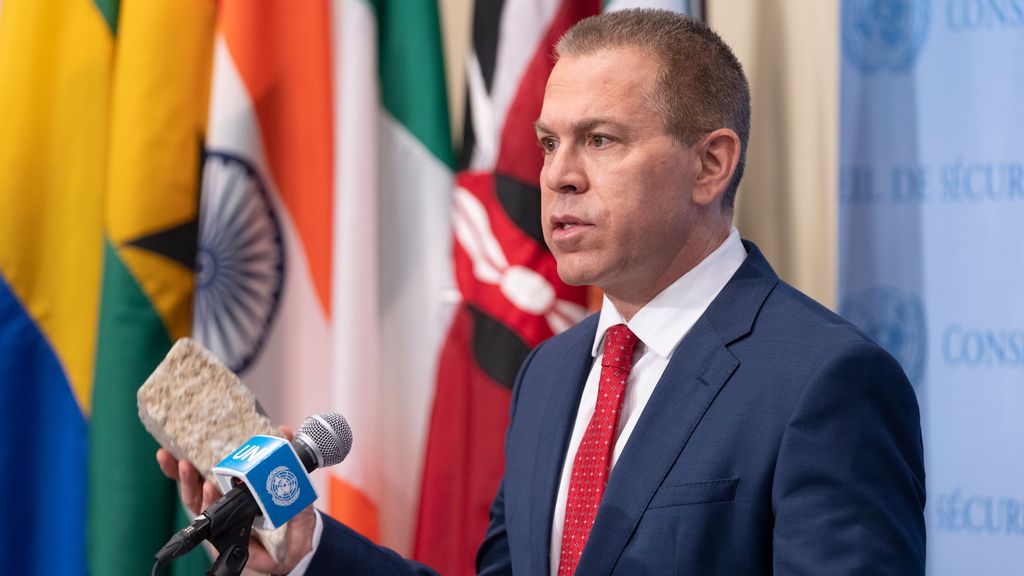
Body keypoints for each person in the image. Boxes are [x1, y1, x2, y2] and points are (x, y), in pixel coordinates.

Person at [159, 9, 925, 575]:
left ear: (710, 165)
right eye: (550, 142)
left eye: (601, 140)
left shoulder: (823, 383)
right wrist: (305, 550)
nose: (557, 174)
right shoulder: (552, 374)